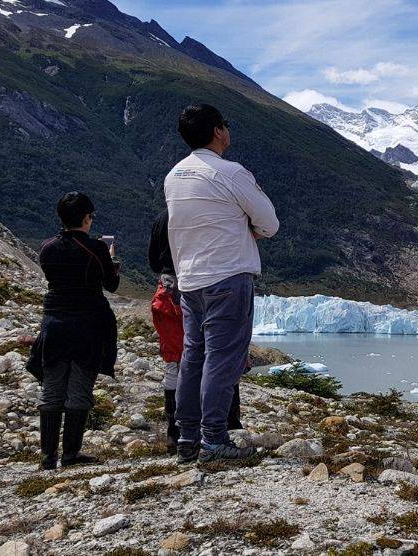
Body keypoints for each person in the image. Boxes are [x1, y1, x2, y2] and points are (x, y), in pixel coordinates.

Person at [164, 104, 278, 463]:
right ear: (217, 131)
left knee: (193, 356)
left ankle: (187, 438)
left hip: (190, 281)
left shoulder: (173, 176)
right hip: (228, 276)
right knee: (222, 359)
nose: (228, 130)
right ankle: (214, 439)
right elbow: (269, 222)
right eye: (225, 124)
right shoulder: (231, 173)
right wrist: (249, 228)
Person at [26, 192, 120, 469]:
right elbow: (111, 285)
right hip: (88, 322)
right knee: (79, 386)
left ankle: (47, 456)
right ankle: (70, 454)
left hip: (54, 321)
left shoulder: (47, 247)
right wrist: (112, 260)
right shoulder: (96, 249)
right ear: (86, 218)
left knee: (52, 387)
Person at [148, 208, 246, 454]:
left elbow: (152, 261)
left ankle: (178, 434)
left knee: (179, 359)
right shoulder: (207, 214)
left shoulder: (162, 218)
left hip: (169, 291)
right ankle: (224, 427)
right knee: (220, 355)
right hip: (207, 284)